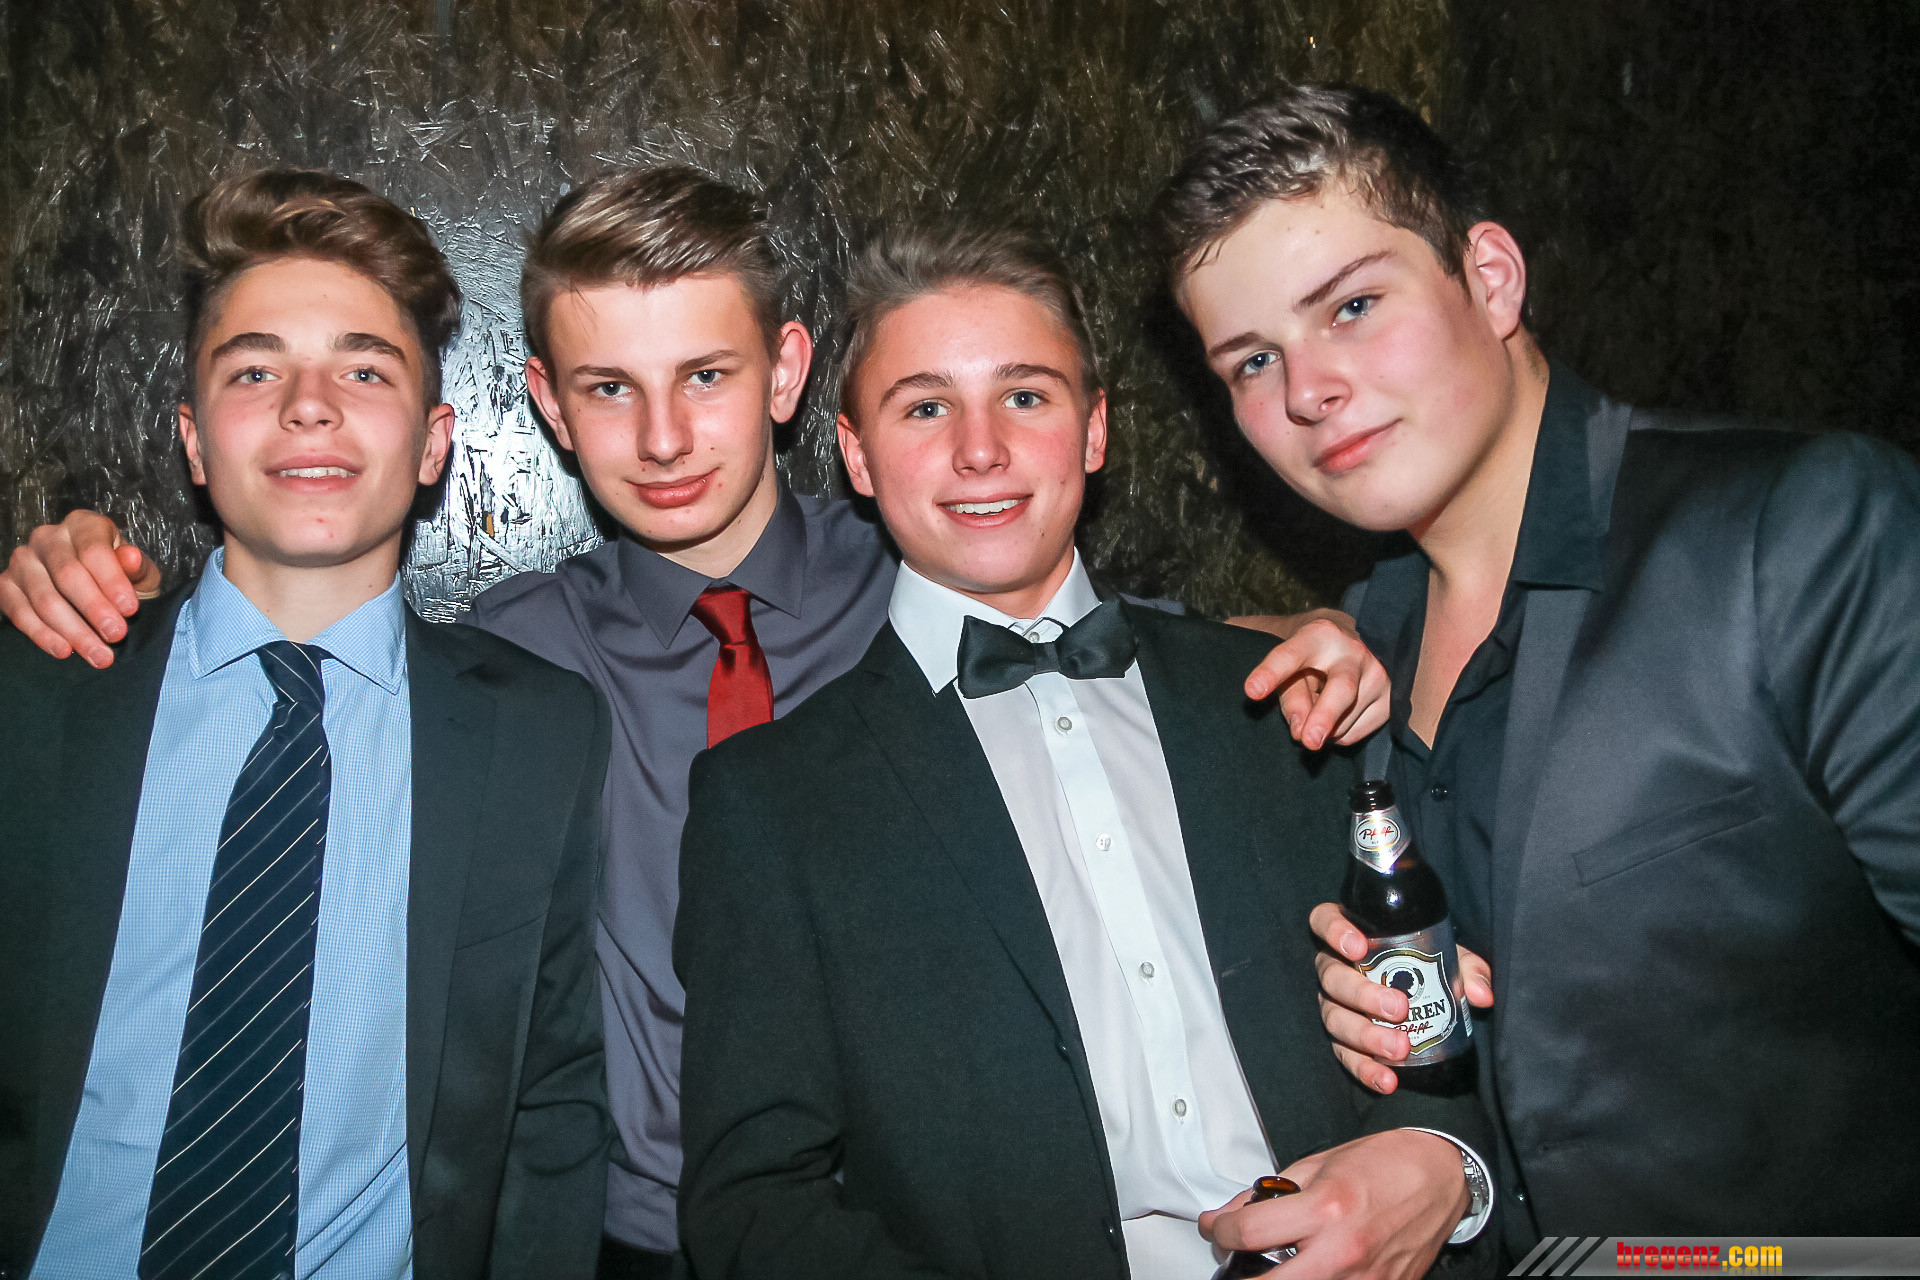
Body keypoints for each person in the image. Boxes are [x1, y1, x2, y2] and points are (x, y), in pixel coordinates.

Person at [0, 167, 1398, 1277]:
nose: (664, 438)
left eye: (707, 376)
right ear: (544, 407)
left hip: (975, 1212)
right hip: (653, 1231)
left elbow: (1115, 656)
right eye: (611, 387)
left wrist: (1318, 635)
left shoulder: (928, 572)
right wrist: (82, 569)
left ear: (789, 378)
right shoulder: (509, 664)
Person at [1155, 84, 1920, 1251]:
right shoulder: (1360, 658)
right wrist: (1429, 1110)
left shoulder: (1796, 532)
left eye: (1353, 305)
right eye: (1253, 360)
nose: (1307, 391)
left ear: (1493, 277)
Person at [672, 221, 1498, 1280]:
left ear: (1095, 429)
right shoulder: (771, 802)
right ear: (858, 455)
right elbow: (751, 1206)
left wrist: (1447, 1162)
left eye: (1025, 395)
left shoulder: (1279, 699)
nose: (981, 449)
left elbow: (1434, 1016)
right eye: (926, 406)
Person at [0, 170, 611, 1279]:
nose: (309, 404)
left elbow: (551, 1095)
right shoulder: (40, 691)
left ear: (433, 444)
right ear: (193, 441)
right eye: (255, 368)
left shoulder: (539, 734)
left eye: (364, 369)